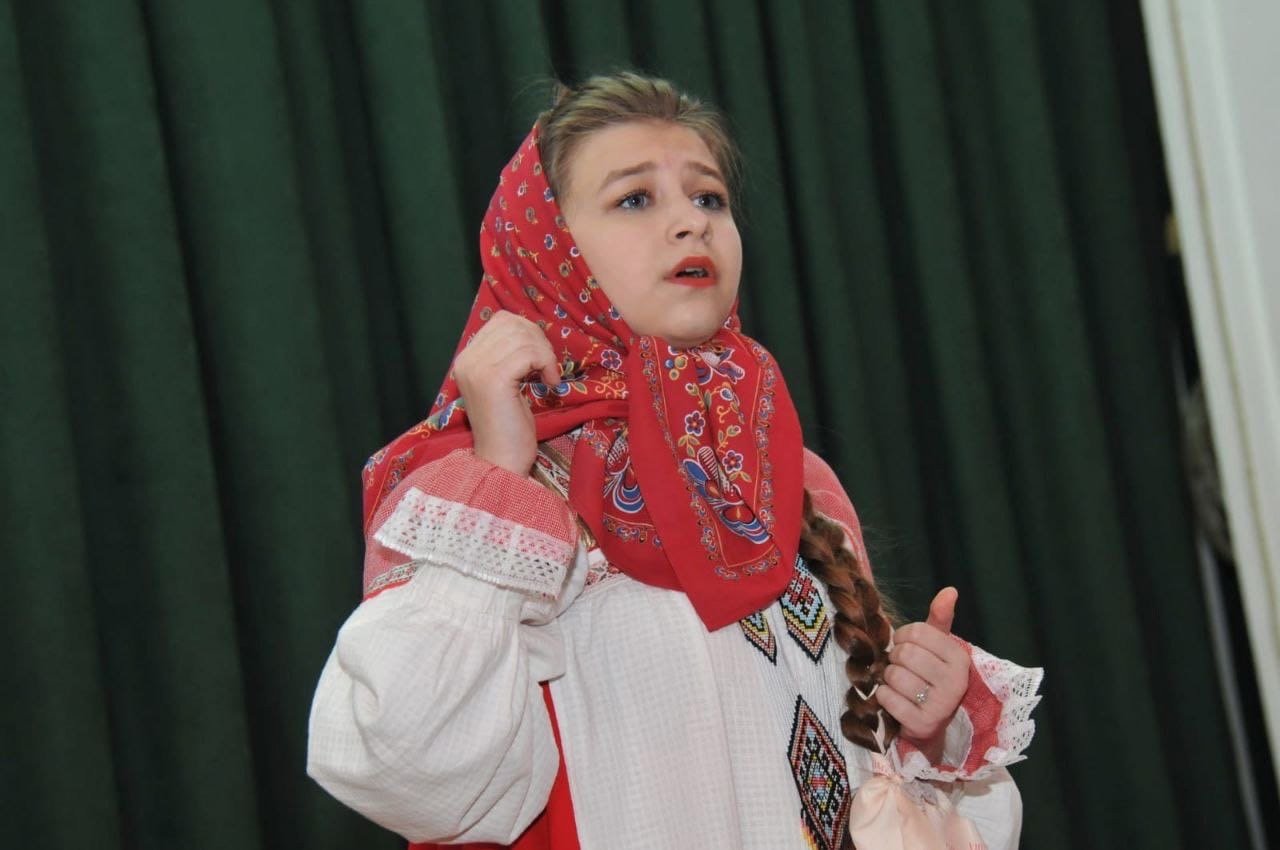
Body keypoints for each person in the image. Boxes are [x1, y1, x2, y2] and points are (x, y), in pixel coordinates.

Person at [307, 72, 1042, 850]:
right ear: (545, 249)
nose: (691, 222)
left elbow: (858, 784)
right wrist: (499, 470)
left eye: (709, 198)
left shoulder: (792, 476)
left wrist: (924, 720)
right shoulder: (477, 503)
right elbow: (407, 768)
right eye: (635, 199)